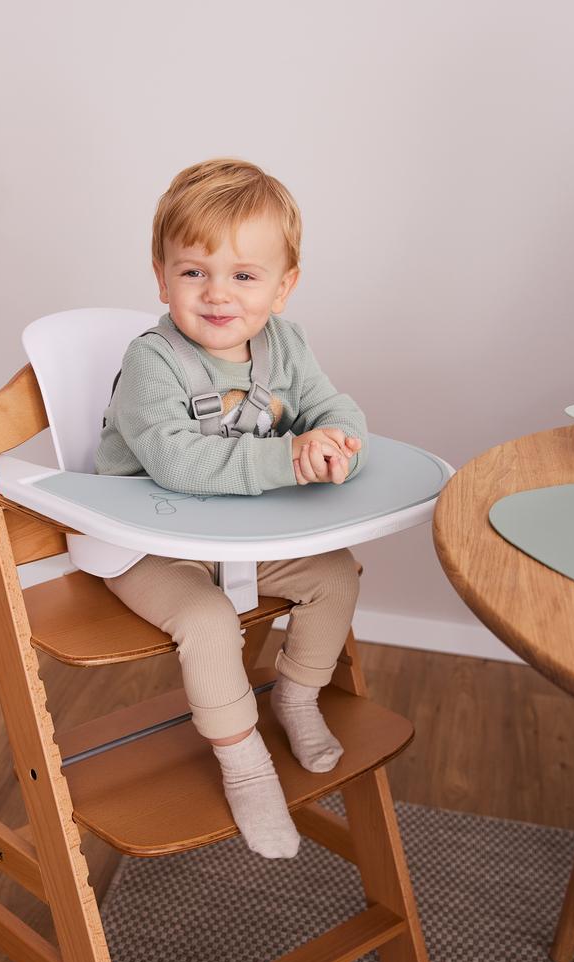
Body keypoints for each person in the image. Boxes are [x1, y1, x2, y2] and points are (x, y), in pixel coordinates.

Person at [94, 159, 367, 858]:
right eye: (194, 271)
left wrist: (336, 441)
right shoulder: (153, 362)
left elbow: (331, 406)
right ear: (162, 278)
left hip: (239, 539)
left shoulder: (287, 345)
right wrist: (286, 459)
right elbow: (179, 463)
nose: (217, 293)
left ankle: (297, 697)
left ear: (283, 286)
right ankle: (244, 763)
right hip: (147, 546)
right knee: (209, 621)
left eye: (244, 275)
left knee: (335, 574)